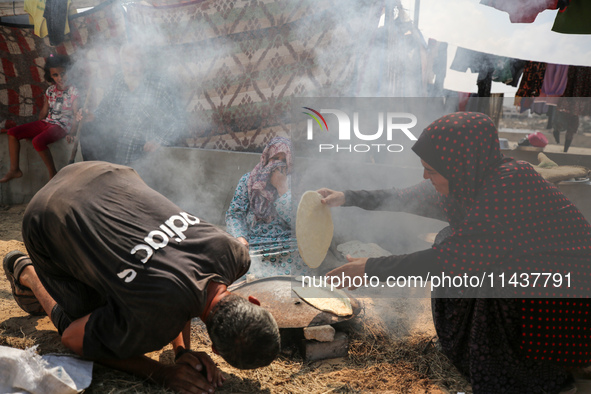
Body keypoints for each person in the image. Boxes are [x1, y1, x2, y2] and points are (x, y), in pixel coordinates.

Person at [320, 112, 591, 394]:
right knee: (451, 241)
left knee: (490, 278)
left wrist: (370, 269)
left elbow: (445, 260)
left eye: (432, 170)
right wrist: (347, 197)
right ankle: (472, 353)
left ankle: (529, 377)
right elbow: (402, 197)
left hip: (566, 295)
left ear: (460, 164)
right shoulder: (468, 180)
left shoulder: (508, 184)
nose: (426, 176)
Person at [2, 161, 280, 394]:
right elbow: (72, 339)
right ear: (217, 351)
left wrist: (182, 352)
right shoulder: (153, 324)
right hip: (46, 215)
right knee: (82, 322)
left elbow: (183, 279)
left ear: (255, 302)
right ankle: (28, 273)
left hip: (102, 171)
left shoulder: (234, 254)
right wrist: (161, 373)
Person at [78, 44, 182, 165]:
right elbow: (104, 109)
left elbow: (178, 121)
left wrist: (159, 141)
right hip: (114, 149)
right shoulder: (118, 81)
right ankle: (98, 171)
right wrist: (91, 116)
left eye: (136, 64)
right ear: (121, 64)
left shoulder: (159, 87)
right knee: (87, 129)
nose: (131, 70)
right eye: (127, 64)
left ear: (144, 64)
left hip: (141, 155)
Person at [225, 136, 309, 277]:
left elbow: (300, 223)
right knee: (243, 269)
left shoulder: (297, 184)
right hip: (254, 244)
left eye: (284, 160)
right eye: (275, 158)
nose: (278, 165)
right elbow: (235, 214)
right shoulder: (248, 180)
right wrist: (240, 237)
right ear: (266, 158)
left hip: (289, 246)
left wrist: (282, 188)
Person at [1, 54, 79, 183]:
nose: (60, 78)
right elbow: (44, 111)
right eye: (55, 75)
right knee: (12, 133)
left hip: (62, 126)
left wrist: (72, 133)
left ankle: (53, 173)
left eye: (63, 73)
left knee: (37, 141)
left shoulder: (73, 91)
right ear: (50, 76)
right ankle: (14, 170)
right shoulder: (50, 91)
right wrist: (34, 129)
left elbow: (77, 115)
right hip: (47, 122)